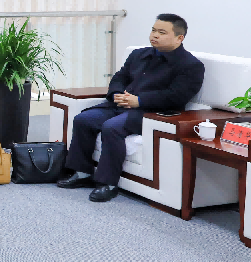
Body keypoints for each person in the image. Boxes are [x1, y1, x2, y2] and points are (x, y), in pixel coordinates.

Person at [57, 14, 204, 202]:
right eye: (153, 30)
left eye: (162, 32)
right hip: (121, 105)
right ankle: (82, 173)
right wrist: (117, 94)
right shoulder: (138, 54)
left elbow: (176, 96)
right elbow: (119, 77)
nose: (155, 35)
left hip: (151, 113)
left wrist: (140, 101)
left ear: (179, 38)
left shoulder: (191, 66)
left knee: (112, 127)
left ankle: (108, 183)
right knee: (83, 120)